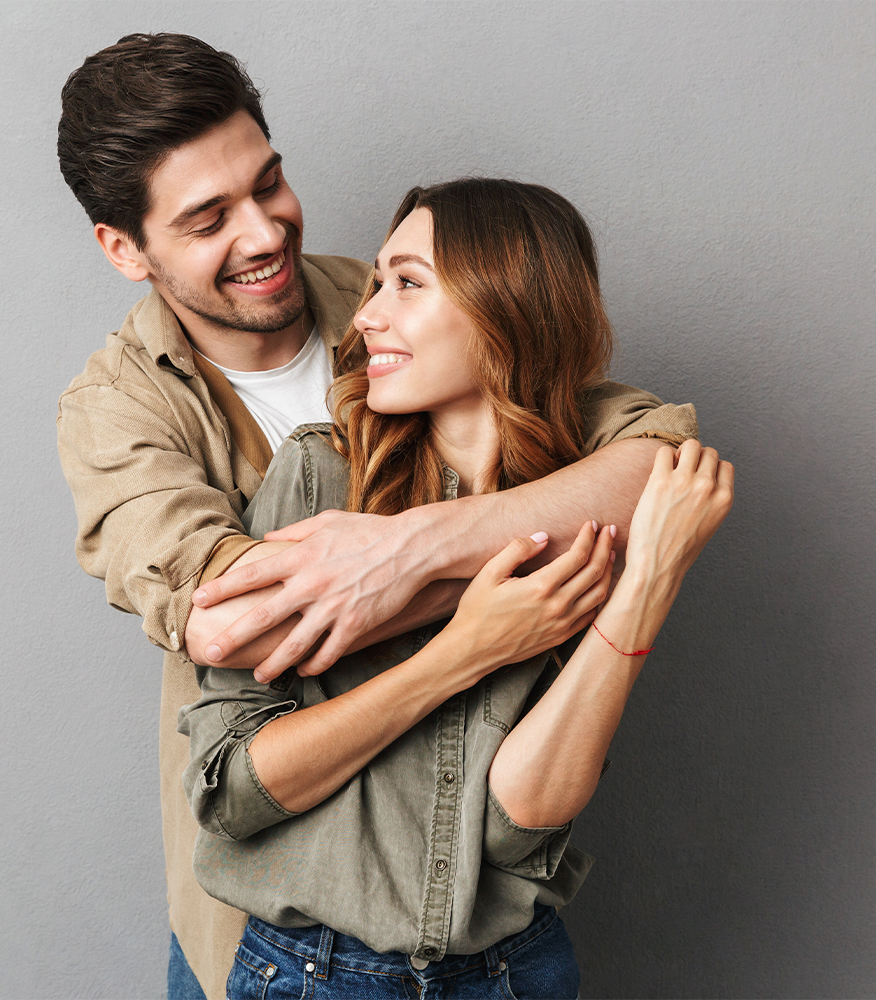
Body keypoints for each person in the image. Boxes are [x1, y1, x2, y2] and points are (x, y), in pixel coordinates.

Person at [55, 33, 700, 998]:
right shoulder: (117, 410)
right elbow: (234, 624)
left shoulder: (400, 302)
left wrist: (408, 547)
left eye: (268, 183)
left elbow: (657, 461)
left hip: (484, 911)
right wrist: (490, 612)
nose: (266, 232)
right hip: (272, 931)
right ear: (124, 248)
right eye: (208, 219)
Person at [179, 178, 733, 999]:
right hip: (316, 978)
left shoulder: (585, 504)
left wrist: (647, 582)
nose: (365, 315)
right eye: (376, 283)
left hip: (518, 973)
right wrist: (464, 651)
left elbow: (520, 826)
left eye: (407, 282)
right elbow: (230, 792)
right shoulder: (319, 475)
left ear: (507, 303)